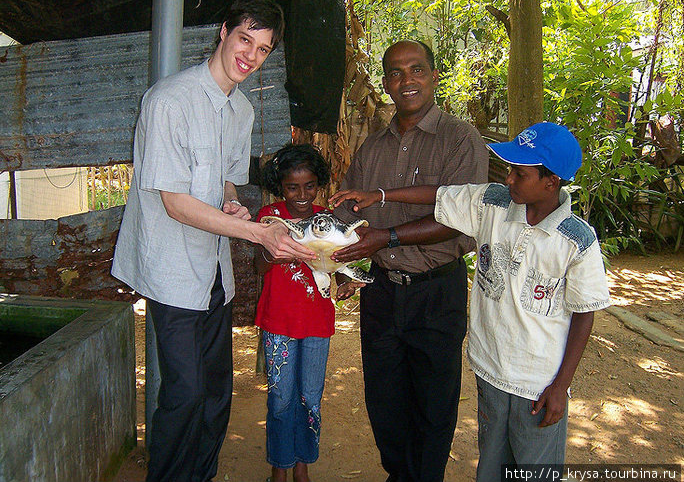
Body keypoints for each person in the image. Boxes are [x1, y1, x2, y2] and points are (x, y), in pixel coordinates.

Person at [330, 121, 611, 482]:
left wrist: (560, 386)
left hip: (538, 383)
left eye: (519, 173)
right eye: (509, 170)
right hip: (490, 369)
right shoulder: (493, 203)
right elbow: (441, 194)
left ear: (550, 182)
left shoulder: (575, 240)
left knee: (534, 467)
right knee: (492, 465)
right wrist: (381, 196)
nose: (508, 179)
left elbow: (584, 315)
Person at [111, 0, 315, 482]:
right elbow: (175, 203)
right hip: (172, 272)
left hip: (214, 273)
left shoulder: (240, 110)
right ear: (224, 32)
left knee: (218, 392)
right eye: (245, 39)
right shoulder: (168, 101)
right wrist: (256, 231)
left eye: (263, 49)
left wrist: (232, 203)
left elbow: (223, 180)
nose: (250, 55)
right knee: (183, 394)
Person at [331, 39, 489, 482]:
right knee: (384, 399)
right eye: (396, 73)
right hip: (380, 292)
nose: (407, 81)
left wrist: (386, 236)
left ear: (434, 76)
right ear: (384, 84)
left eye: (416, 70)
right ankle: (399, 475)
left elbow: (462, 217)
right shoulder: (371, 148)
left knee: (434, 402)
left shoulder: (460, 139)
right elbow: (348, 213)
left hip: (436, 291)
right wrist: (331, 257)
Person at [254, 143, 360, 482]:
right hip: (278, 323)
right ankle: (279, 467)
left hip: (317, 323)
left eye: (309, 186)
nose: (301, 194)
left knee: (310, 398)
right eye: (292, 187)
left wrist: (344, 280)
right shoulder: (270, 218)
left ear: (320, 184)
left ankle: (303, 466)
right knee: (281, 398)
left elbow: (339, 263)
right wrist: (277, 250)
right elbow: (259, 266)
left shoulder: (326, 220)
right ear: (279, 187)